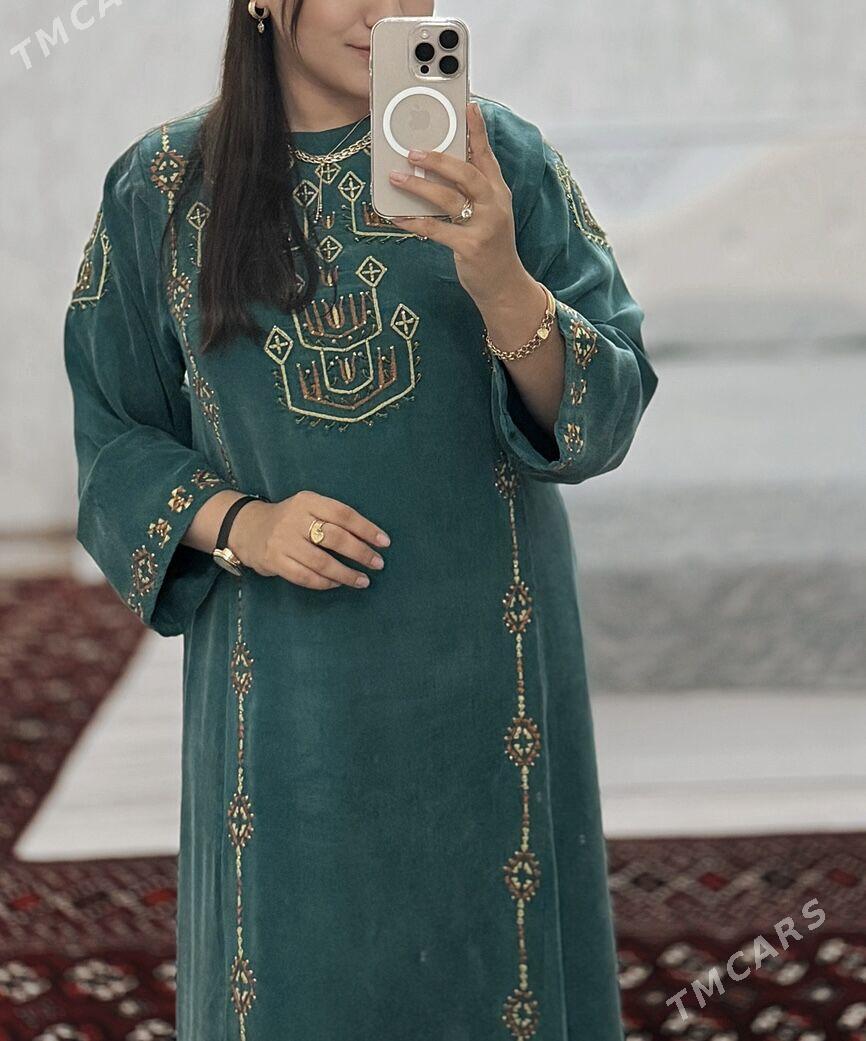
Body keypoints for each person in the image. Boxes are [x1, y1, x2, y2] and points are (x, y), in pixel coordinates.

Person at [63, 1, 658, 1038]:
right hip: (288, 682)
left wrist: (502, 281)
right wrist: (242, 524)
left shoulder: (498, 157)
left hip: (486, 662)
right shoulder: (162, 187)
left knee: (498, 958)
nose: (385, 11)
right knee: (296, 963)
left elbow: (603, 416)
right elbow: (113, 436)